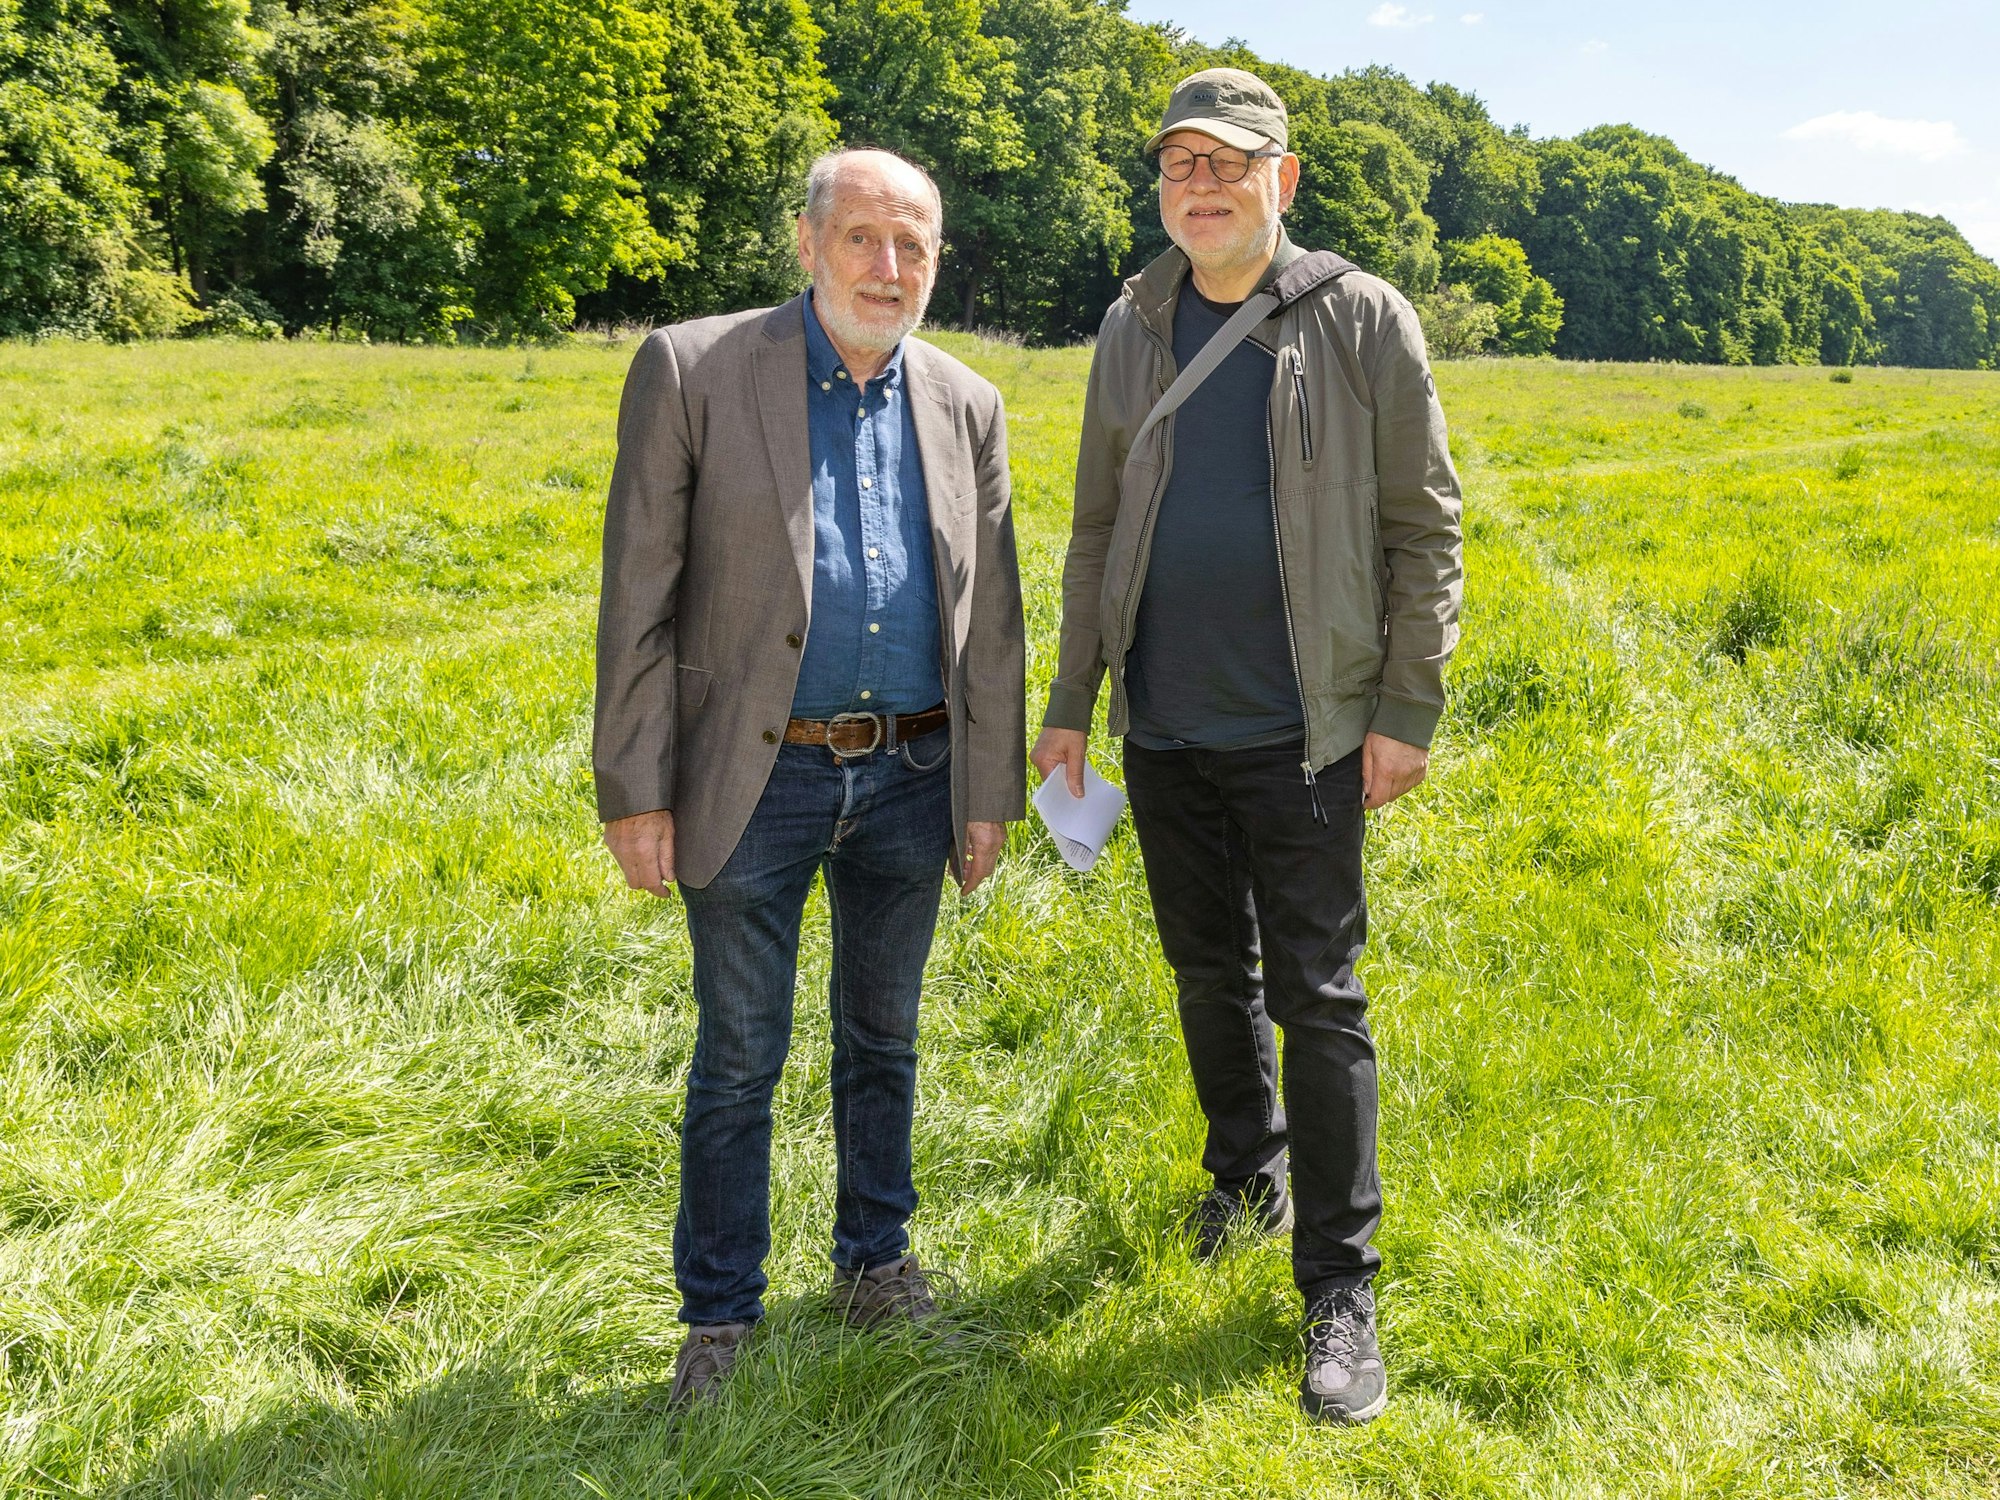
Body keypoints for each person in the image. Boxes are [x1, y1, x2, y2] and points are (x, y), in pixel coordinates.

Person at [1030, 68, 1463, 1424]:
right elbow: (1098, 522)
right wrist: (1070, 700)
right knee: (1207, 969)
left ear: (1285, 179)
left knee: (1319, 1000)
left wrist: (1404, 710)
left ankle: (1341, 1288)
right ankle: (1244, 1177)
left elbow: (1424, 532)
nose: (1199, 188)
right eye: (1179, 168)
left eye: (1227, 165)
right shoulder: (1131, 325)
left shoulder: (1362, 320)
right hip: (1165, 725)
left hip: (1309, 734)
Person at [595, 147, 1026, 1405]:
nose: (889, 270)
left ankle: (873, 1264)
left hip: (912, 773)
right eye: (864, 240)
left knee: (882, 1038)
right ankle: (719, 1317)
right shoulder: (694, 370)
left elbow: (988, 619)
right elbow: (639, 598)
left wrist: (985, 788)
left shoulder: (967, 402)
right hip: (753, 776)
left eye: (915, 247)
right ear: (807, 242)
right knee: (740, 1054)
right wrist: (634, 785)